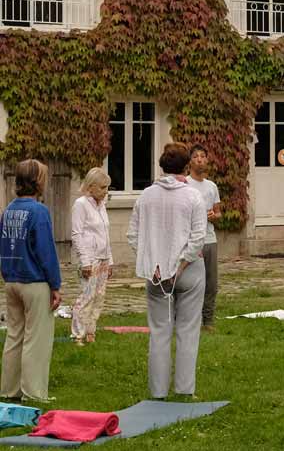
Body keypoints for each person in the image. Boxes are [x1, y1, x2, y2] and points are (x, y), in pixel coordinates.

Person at [127, 142, 207, 398]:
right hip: (189, 269)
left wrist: (154, 263)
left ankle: (158, 391)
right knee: (188, 330)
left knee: (159, 331)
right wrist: (181, 265)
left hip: (156, 272)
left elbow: (133, 236)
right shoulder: (193, 196)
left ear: (161, 166)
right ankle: (185, 389)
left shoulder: (145, 195)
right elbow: (198, 238)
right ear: (186, 166)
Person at [0, 159, 61, 403]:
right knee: (37, 339)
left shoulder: (8, 210)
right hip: (34, 282)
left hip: (11, 280)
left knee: (14, 336)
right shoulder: (39, 212)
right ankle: (34, 394)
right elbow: (46, 252)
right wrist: (55, 285)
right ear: (37, 181)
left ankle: (9, 390)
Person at [70, 167, 113, 345]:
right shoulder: (81, 204)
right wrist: (85, 261)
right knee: (87, 296)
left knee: (99, 296)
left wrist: (110, 260)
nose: (105, 191)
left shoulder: (101, 205)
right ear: (91, 186)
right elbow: (76, 234)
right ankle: (77, 334)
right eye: (102, 188)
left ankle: (90, 332)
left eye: (106, 188)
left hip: (103, 257)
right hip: (90, 258)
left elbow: (106, 233)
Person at [186, 145, 222, 332]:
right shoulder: (184, 184)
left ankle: (208, 320)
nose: (200, 159)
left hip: (209, 239)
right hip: (190, 240)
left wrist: (213, 216)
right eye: (196, 156)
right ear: (190, 161)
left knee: (211, 282)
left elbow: (218, 212)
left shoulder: (211, 186)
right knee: (192, 281)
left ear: (207, 160)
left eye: (203, 156)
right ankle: (190, 319)